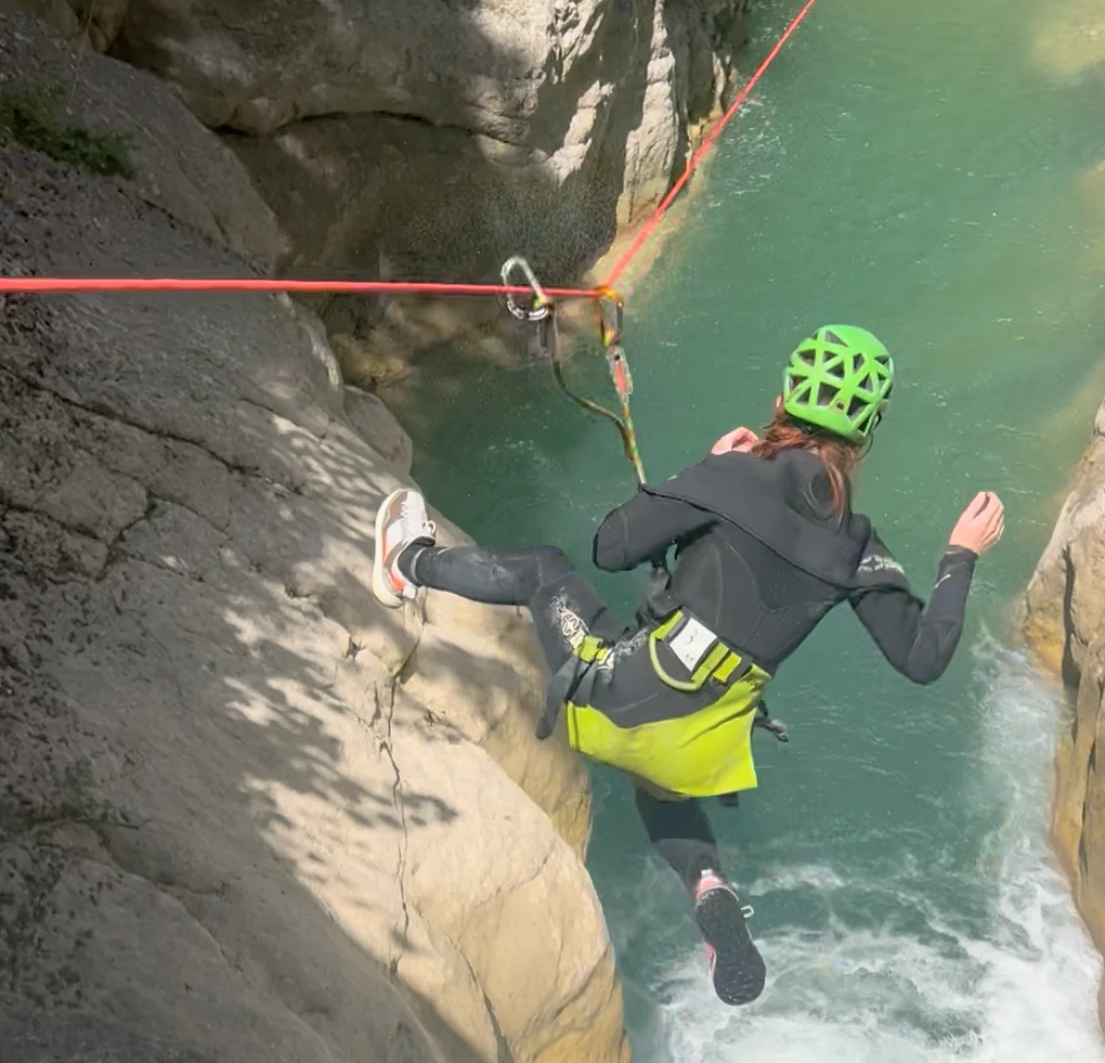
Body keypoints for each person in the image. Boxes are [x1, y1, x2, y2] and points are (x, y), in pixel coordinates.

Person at [371, 324, 1004, 1006]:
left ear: (785, 396)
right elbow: (922, 656)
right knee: (664, 785)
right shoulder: (857, 546)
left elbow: (610, 545)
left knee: (544, 571)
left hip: (617, 696)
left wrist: (700, 473)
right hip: (697, 742)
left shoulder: (735, 473)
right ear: (865, 433)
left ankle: (406, 563)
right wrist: (960, 555)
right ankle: (708, 887)